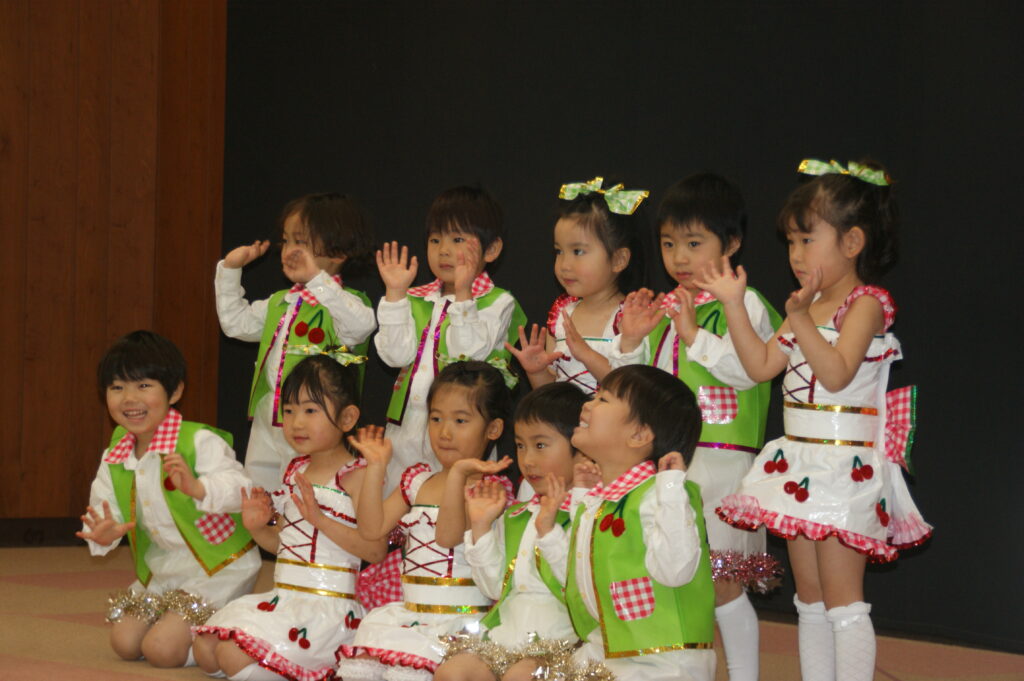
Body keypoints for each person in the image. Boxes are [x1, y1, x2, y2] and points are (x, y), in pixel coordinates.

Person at [699, 159, 931, 681]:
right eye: (791, 242)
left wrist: (801, 318)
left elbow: (836, 373)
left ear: (852, 242)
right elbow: (761, 366)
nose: (796, 254)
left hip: (844, 467)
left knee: (844, 601)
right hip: (798, 462)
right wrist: (734, 304)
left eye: (808, 240)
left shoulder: (866, 304)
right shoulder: (804, 306)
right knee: (809, 598)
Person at [609, 173, 782, 680]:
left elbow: (750, 369)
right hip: (667, 466)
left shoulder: (744, 303)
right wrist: (630, 343)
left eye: (693, 243)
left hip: (721, 463)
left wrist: (693, 335)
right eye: (668, 244)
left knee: (722, 583)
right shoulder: (665, 308)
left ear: (731, 243)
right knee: (675, 574)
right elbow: (638, 390)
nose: (679, 257)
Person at [193, 354, 387, 681]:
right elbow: (283, 544)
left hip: (326, 609)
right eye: (289, 410)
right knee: (206, 648)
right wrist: (257, 529)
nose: (296, 422)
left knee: (231, 655)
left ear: (347, 417)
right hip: (283, 597)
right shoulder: (296, 470)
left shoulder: (358, 476)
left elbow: (375, 550)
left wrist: (321, 520)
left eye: (310, 410)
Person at [77, 330, 260, 669]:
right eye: (117, 388)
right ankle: (188, 627)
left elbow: (241, 489)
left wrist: (199, 488)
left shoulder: (198, 441)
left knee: (161, 650)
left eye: (143, 385)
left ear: (174, 391)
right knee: (124, 643)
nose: (129, 399)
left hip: (218, 566)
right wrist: (105, 534)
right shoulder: (115, 456)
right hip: (163, 567)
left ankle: (217, 642)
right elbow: (106, 512)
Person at [337, 361, 515, 681]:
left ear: (493, 429)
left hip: (457, 624)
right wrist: (376, 467)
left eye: (460, 420)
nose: (444, 432)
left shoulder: (490, 491)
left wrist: (458, 475)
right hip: (409, 617)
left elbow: (448, 536)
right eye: (436, 418)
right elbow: (372, 529)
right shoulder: (418, 481)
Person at [537, 365, 716, 681]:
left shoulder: (659, 495)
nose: (587, 405)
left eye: (603, 400)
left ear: (639, 435)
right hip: (608, 648)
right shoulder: (601, 501)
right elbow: (577, 579)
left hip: (663, 661)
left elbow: (675, 570)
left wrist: (670, 489)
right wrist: (549, 532)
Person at [434, 382, 598, 681]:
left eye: (540, 445)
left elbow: (581, 586)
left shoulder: (588, 514)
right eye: (521, 446)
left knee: (521, 676)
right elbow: (494, 589)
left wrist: (549, 532)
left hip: (563, 645)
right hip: (503, 642)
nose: (528, 460)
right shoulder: (517, 516)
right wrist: (481, 528)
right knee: (453, 672)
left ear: (581, 449)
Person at [215, 192, 376, 490]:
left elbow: (360, 327)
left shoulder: (346, 304)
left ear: (338, 252)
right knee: (259, 485)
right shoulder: (281, 302)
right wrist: (230, 271)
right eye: (286, 241)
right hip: (271, 411)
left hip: (316, 420)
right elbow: (235, 324)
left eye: (301, 242)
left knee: (306, 489)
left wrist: (317, 280)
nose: (289, 251)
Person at [374, 186, 525, 489]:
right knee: (397, 497)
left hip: (461, 431)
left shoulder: (498, 302)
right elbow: (394, 356)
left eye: (457, 239)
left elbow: (466, 356)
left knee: (455, 501)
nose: (443, 250)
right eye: (435, 239)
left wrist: (464, 294)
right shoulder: (414, 297)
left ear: (492, 249)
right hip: (407, 428)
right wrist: (395, 295)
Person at [509, 176, 648, 395]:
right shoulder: (562, 314)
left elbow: (630, 390)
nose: (564, 265)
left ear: (619, 259)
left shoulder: (631, 316)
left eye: (578, 251)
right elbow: (552, 394)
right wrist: (537, 371)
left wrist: (586, 353)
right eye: (559, 251)